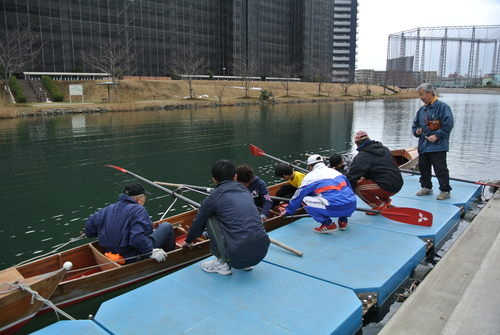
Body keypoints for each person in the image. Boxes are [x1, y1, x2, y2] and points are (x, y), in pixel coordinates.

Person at [182, 160, 270, 275]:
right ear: (235, 177)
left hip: (236, 259)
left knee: (208, 216)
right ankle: (247, 264)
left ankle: (221, 263)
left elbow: (198, 223)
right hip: (261, 253)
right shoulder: (245, 191)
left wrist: (188, 241)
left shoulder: (213, 198)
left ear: (214, 180)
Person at [85, 183, 175, 264]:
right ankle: (171, 260)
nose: (145, 200)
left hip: (110, 254)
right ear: (139, 198)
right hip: (131, 257)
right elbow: (136, 238)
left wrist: (106, 233)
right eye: (145, 197)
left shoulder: (108, 209)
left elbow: (89, 230)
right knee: (166, 226)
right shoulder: (138, 210)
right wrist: (150, 252)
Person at [284, 154, 357, 233]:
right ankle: (343, 221)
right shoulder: (337, 173)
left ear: (310, 166)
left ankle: (327, 224)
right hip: (352, 206)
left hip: (334, 209)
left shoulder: (310, 177)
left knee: (304, 199)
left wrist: (288, 212)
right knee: (343, 195)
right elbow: (350, 191)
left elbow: (297, 197)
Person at [412, 83, 454, 200]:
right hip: (424, 145)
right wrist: (418, 131)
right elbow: (414, 126)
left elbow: (448, 124)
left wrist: (437, 135)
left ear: (430, 93)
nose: (420, 97)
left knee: (440, 168)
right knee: (423, 166)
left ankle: (445, 190)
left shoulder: (442, 107)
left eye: (422, 94)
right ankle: (426, 187)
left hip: (438, 146)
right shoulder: (422, 110)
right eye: (419, 95)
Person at [347, 131, 404, 213]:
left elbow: (352, 178)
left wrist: (346, 193)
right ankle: (386, 202)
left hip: (388, 187)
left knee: (358, 187)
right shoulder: (385, 149)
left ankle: (378, 206)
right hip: (398, 182)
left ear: (356, 143)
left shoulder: (361, 157)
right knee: (379, 178)